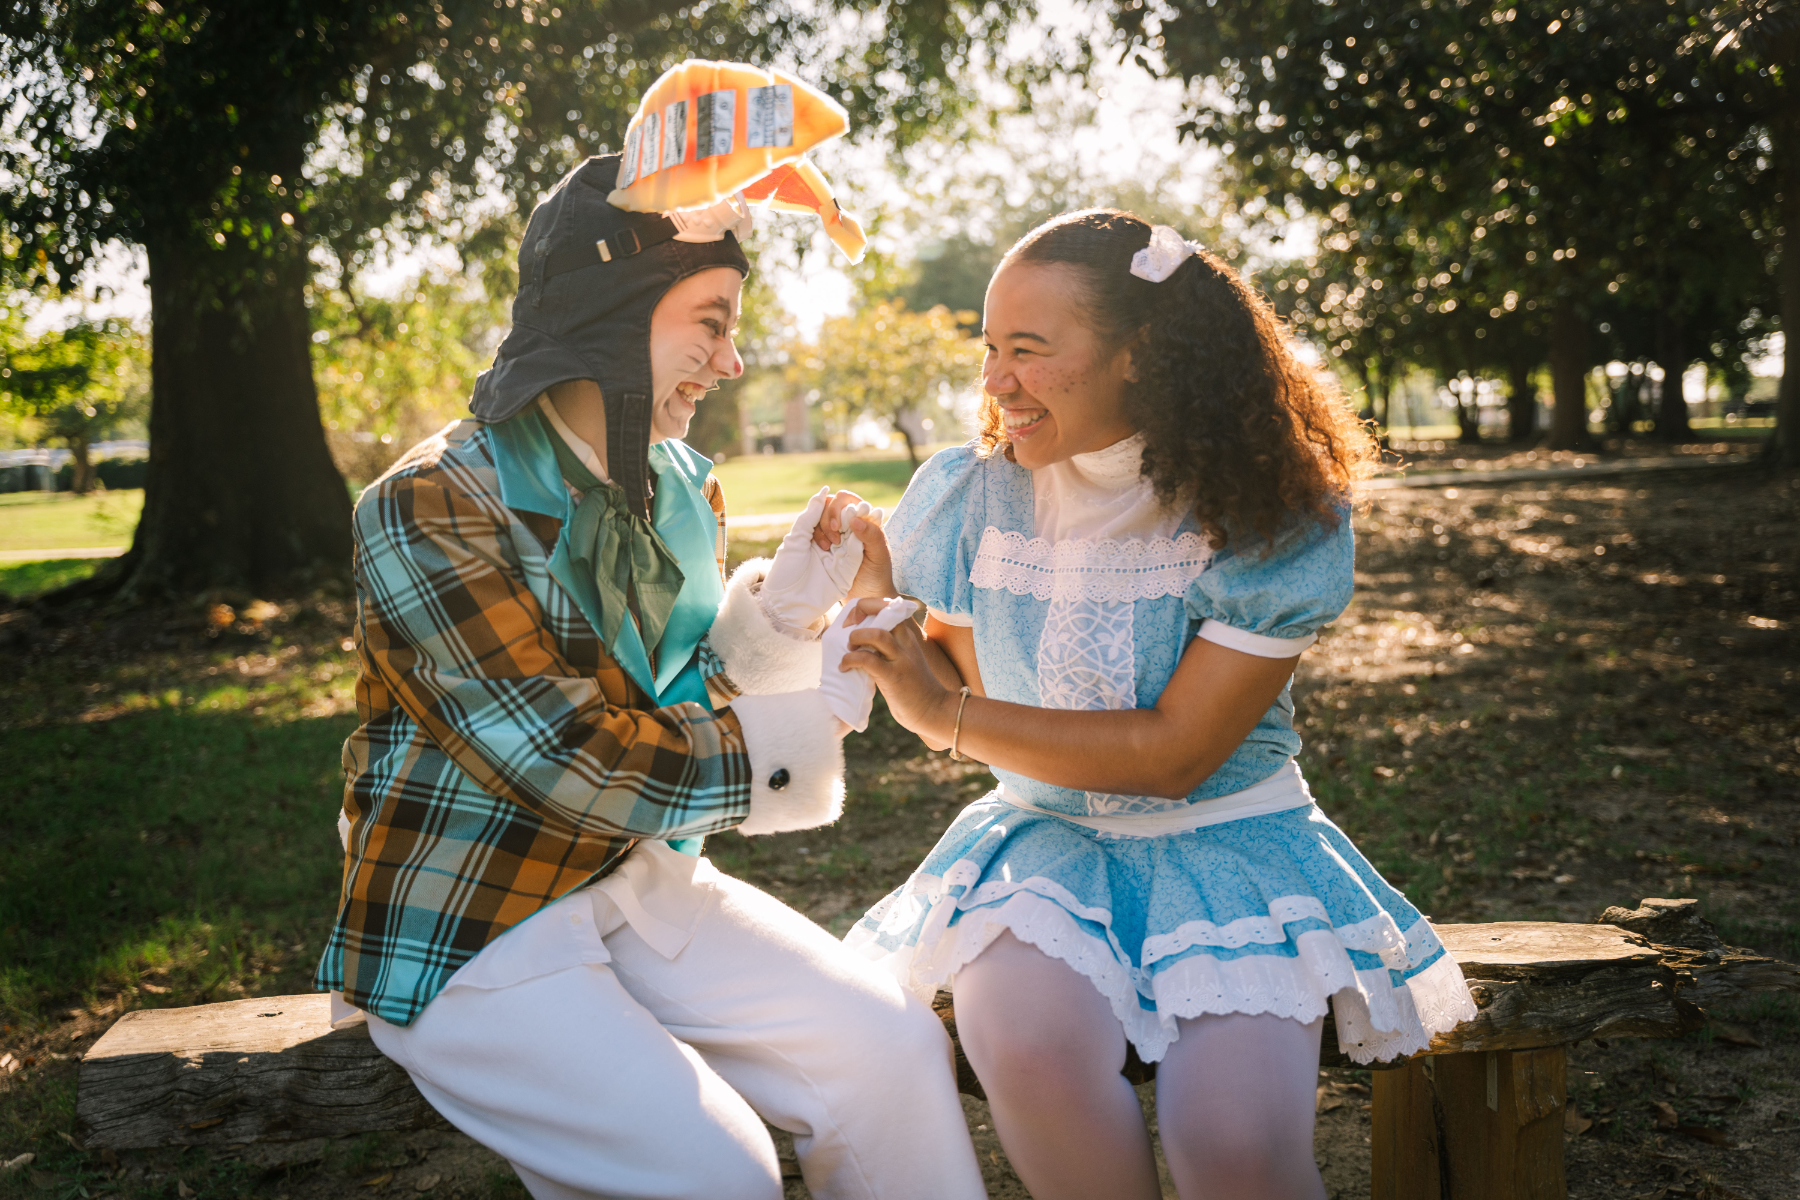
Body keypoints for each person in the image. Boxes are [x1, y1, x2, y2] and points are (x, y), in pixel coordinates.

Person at [314, 151, 986, 1200]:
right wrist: (815, 721)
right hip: (471, 915)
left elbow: (677, 695)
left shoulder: (677, 484)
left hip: (633, 878)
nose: (729, 364)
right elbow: (563, 759)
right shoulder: (425, 503)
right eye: (709, 322)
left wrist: (784, 616)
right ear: (612, 313)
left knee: (891, 1047)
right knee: (715, 1170)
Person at [838, 210, 1478, 1200]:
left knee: (1230, 1143)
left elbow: (1174, 754)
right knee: (1029, 1052)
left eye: (1030, 351)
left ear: (1141, 357)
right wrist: (883, 610)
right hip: (1043, 848)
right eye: (990, 349)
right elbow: (968, 686)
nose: (995, 381)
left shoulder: (1268, 512)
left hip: (1233, 849)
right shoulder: (971, 498)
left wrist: (940, 715)